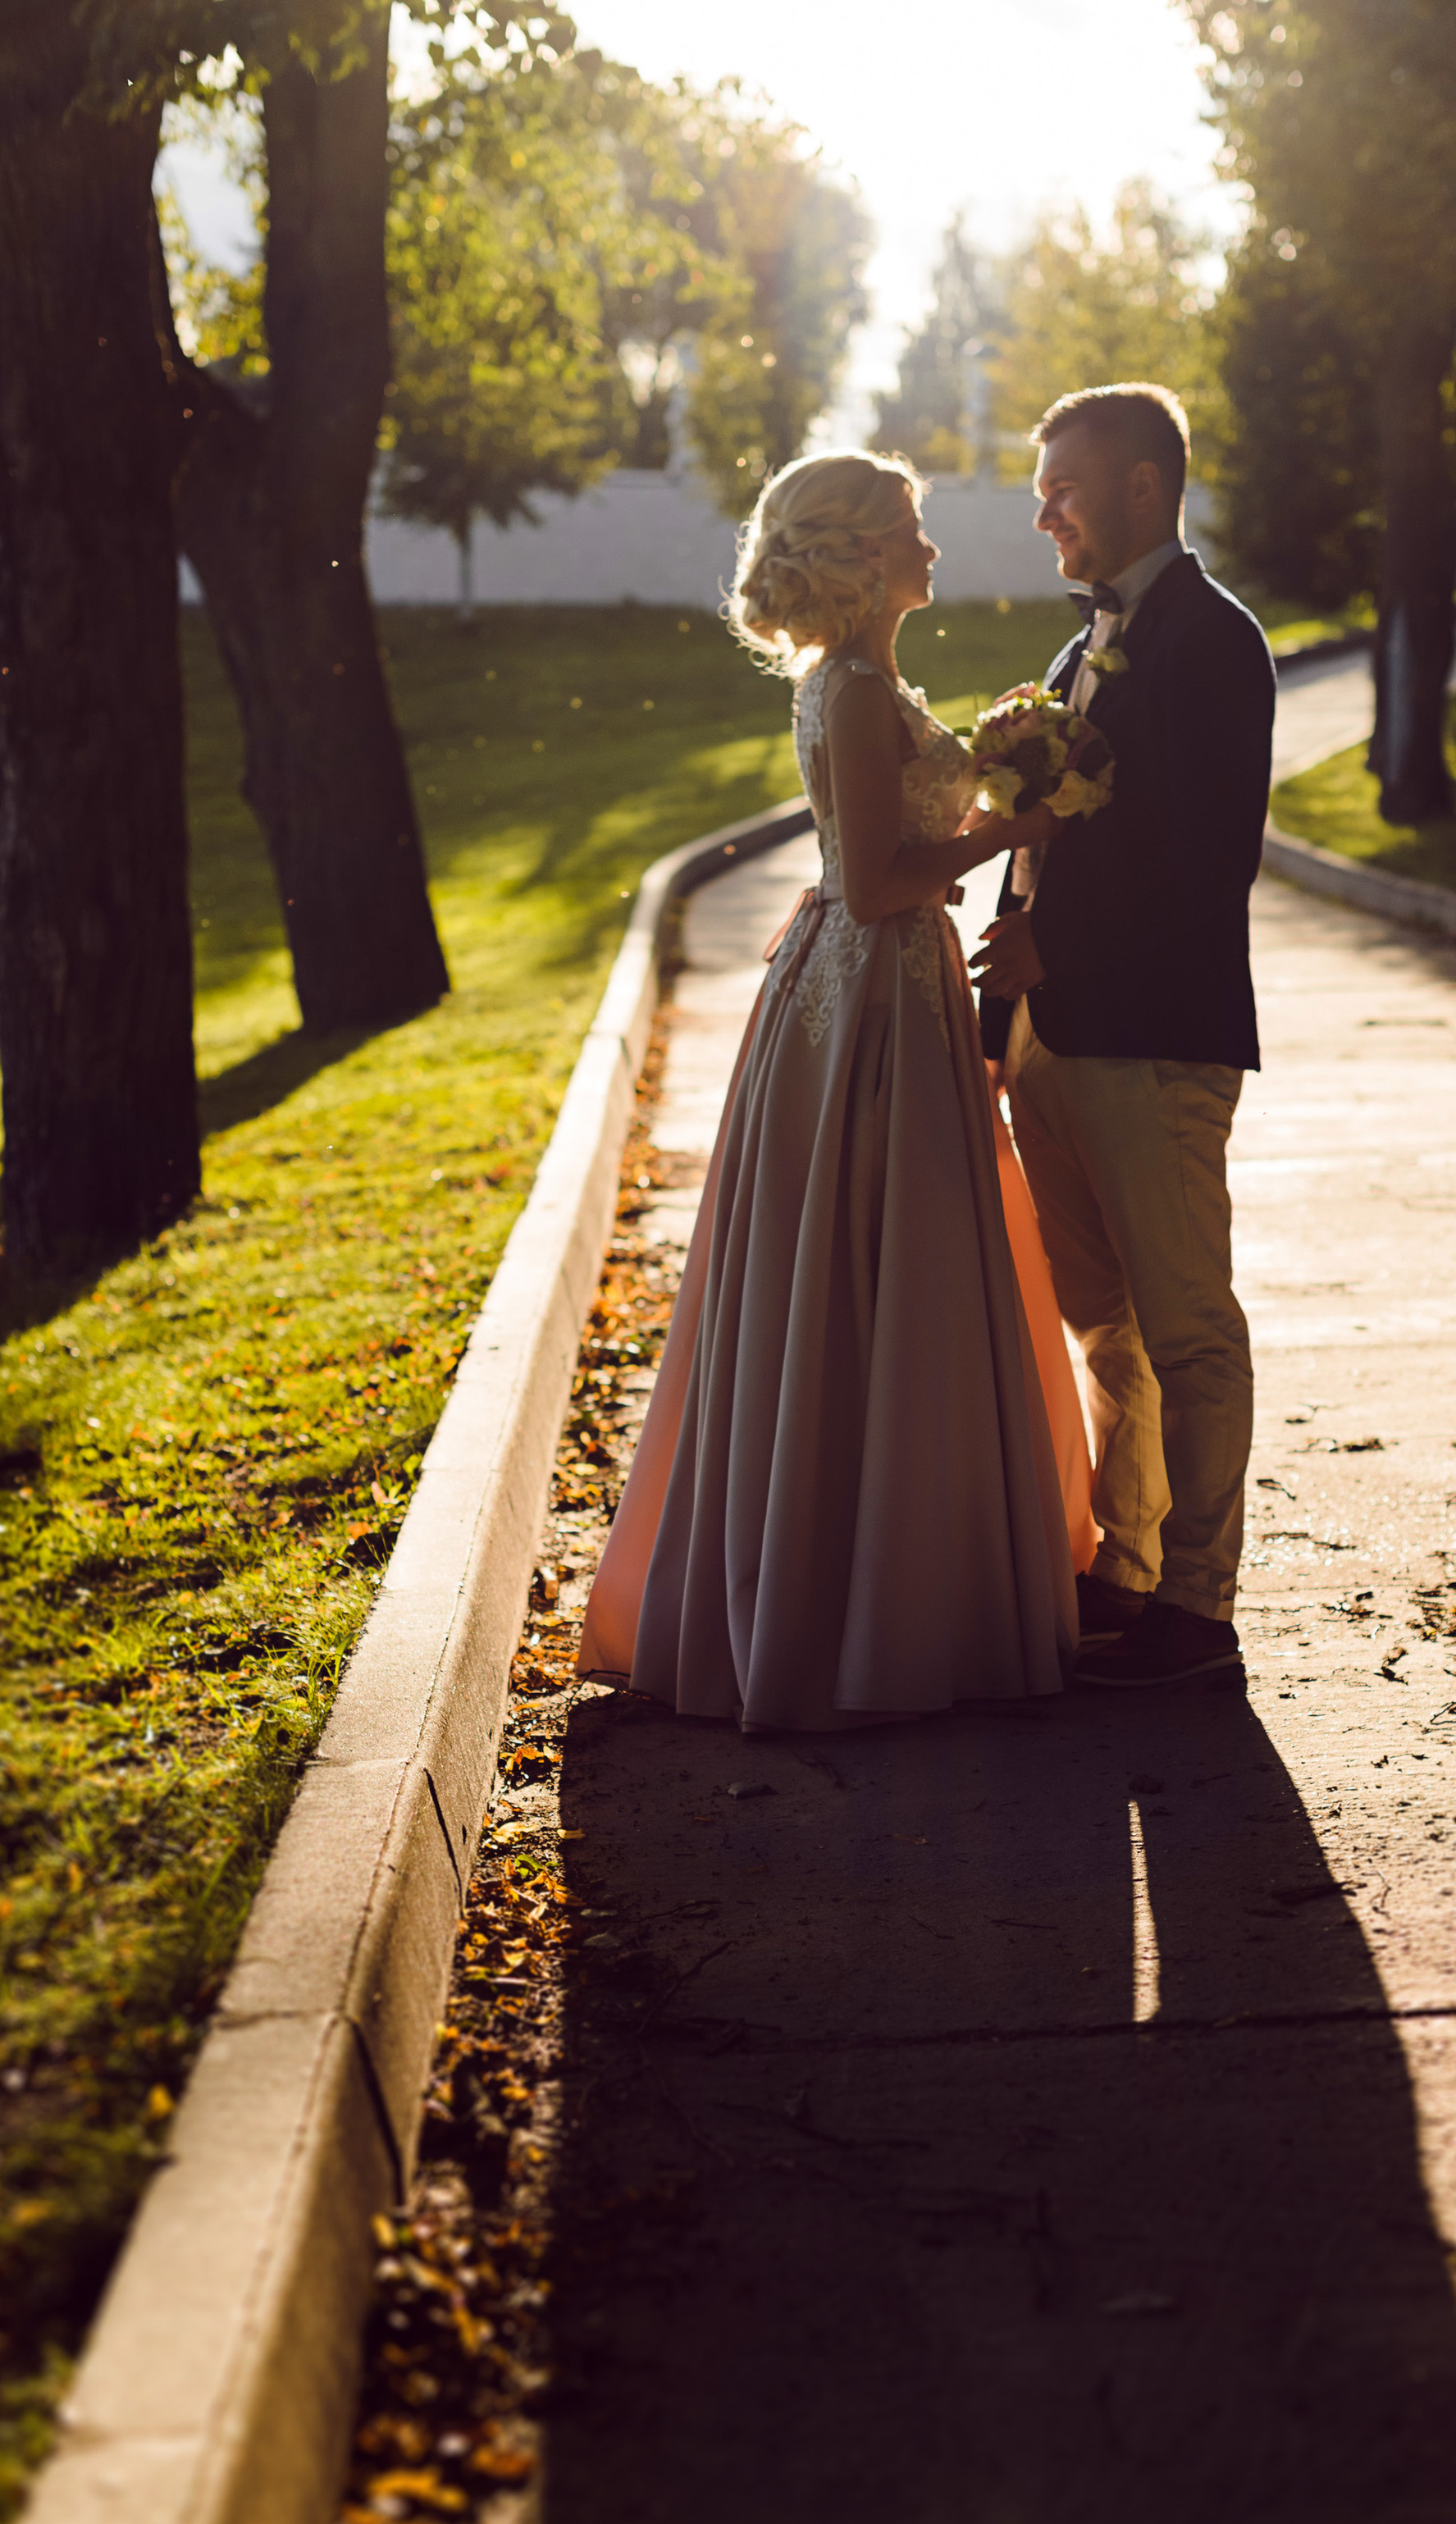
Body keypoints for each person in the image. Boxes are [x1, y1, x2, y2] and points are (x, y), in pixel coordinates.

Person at [577, 450, 1095, 1732]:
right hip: (866, 1002)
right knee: (876, 1259)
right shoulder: (855, 691)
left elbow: (891, 852)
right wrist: (1015, 830)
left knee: (880, 1264)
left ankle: (889, 1577)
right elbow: (873, 887)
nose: (931, 544)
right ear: (863, 553)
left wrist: (999, 777)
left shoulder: (869, 683)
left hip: (885, 989)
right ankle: (864, 1604)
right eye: (911, 525)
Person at [974, 381, 1276, 1694]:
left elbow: (1208, 860)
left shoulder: (1216, 642)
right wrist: (998, 1018)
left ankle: (1199, 1606)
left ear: (1143, 485)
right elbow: (1034, 855)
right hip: (1053, 1037)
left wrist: (1064, 959)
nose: (1045, 513)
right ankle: (1129, 1565)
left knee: (1187, 1324)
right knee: (1105, 1329)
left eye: (1066, 488)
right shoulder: (1071, 655)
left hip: (1155, 1037)